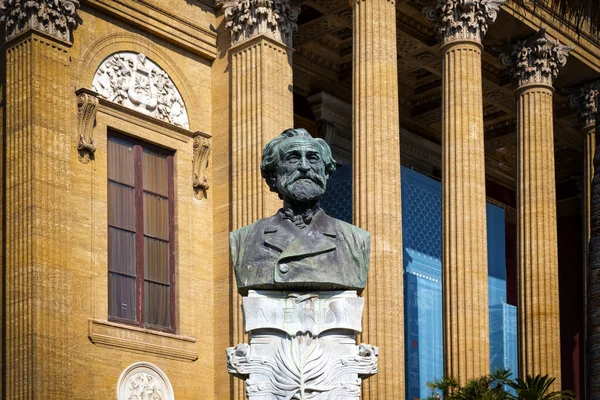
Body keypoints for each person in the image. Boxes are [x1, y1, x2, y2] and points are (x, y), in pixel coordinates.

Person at [230, 128, 370, 295]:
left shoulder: (355, 240)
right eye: (293, 158)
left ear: (325, 173)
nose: (304, 166)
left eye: (312, 158)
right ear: (273, 175)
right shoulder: (245, 239)